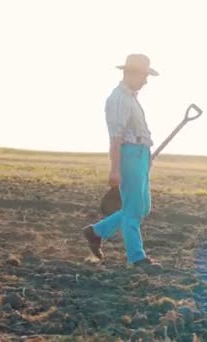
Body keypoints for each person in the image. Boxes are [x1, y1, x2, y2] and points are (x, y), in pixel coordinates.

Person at [82, 53, 160, 270]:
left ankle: (96, 231)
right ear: (130, 73)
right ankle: (137, 259)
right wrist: (115, 169)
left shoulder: (131, 98)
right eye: (143, 76)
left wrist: (145, 156)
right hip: (129, 156)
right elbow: (115, 138)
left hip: (140, 155)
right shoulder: (119, 99)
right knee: (133, 211)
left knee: (141, 207)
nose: (145, 81)